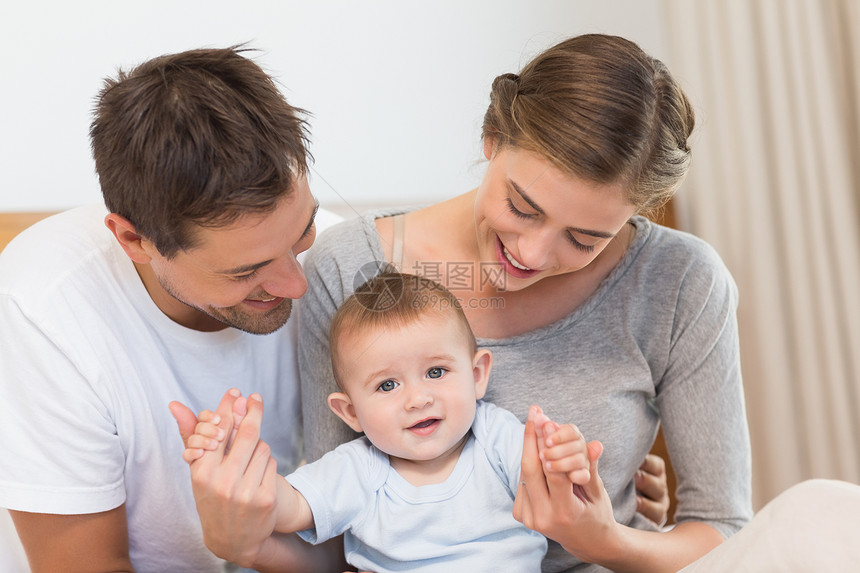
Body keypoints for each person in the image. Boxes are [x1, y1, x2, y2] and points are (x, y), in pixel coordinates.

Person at [180, 33, 753, 572]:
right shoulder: (347, 267)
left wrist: (604, 539)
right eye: (522, 206)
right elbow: (333, 535)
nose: (531, 253)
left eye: (584, 239)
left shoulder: (681, 281)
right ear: (492, 139)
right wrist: (244, 531)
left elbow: (723, 529)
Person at [0, 46, 343, 572]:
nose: (297, 285)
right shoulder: (44, 303)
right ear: (134, 240)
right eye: (244, 272)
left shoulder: (342, 261)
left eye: (302, 234)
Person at [182, 271, 597, 571]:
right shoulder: (360, 468)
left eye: (436, 372)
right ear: (350, 413)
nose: (418, 399)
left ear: (476, 375)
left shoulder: (498, 437)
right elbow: (290, 509)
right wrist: (238, 461)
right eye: (387, 386)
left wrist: (564, 461)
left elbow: (555, 497)